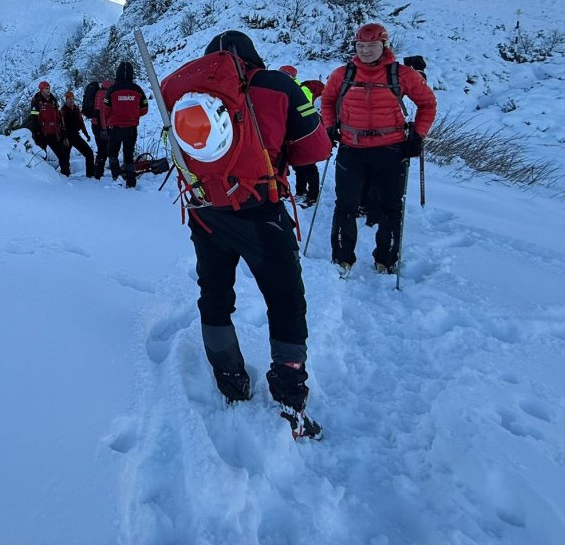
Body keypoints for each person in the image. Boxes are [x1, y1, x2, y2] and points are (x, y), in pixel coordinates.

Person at [163, 31, 331, 436]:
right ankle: (290, 395)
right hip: (260, 210)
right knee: (285, 300)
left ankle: (230, 378)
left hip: (206, 211)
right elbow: (317, 149)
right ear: (253, 56)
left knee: (215, 294)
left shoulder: (178, 91)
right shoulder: (278, 85)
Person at [320, 23, 437, 275]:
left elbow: (428, 103)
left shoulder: (402, 74)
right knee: (346, 205)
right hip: (352, 147)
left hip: (391, 149)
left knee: (390, 207)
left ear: (384, 46)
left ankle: (386, 258)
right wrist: (329, 127)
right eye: (360, 46)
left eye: (371, 46)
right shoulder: (343, 74)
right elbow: (327, 101)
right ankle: (342, 258)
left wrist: (419, 134)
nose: (365, 51)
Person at [277, 65, 322, 207]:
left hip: (304, 133)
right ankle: (301, 192)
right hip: (293, 133)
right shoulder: (284, 88)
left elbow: (306, 111)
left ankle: (313, 196)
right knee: (298, 165)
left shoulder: (300, 90)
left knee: (308, 166)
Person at [103, 62, 148, 187]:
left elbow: (106, 110)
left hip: (115, 128)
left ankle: (116, 177)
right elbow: (145, 109)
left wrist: (116, 116)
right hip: (131, 128)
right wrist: (133, 114)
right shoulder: (137, 89)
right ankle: (131, 181)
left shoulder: (112, 89)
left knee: (112, 153)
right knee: (129, 155)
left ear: (117, 73)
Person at [27, 81, 70, 176]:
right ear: (42, 89)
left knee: (63, 156)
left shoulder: (53, 100)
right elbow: (34, 118)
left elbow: (58, 116)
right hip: (42, 133)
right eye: (46, 88)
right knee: (42, 157)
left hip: (54, 132)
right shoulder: (36, 101)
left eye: (49, 88)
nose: (48, 90)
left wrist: (62, 131)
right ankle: (43, 179)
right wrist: (37, 132)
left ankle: (65, 176)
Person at [61, 90, 95, 178]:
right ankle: (64, 175)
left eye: (72, 98)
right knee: (65, 157)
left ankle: (90, 175)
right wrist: (64, 138)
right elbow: (62, 125)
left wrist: (86, 134)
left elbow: (81, 122)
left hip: (75, 135)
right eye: (69, 99)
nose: (71, 100)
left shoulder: (76, 109)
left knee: (89, 153)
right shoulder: (63, 110)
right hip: (66, 136)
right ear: (66, 99)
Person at [90, 78, 113, 179]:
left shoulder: (99, 92)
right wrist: (104, 129)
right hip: (101, 126)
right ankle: (98, 173)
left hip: (96, 125)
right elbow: (103, 113)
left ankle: (98, 171)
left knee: (102, 149)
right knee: (103, 149)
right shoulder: (104, 94)